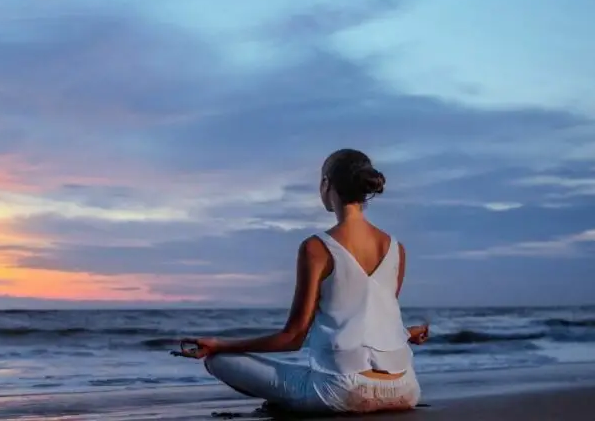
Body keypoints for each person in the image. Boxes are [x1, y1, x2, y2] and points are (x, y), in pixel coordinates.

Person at [173, 149, 430, 414]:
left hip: (344, 392)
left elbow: (293, 338)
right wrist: (405, 334)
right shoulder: (396, 249)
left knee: (219, 361)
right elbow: (372, 319)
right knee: (312, 372)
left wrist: (220, 344)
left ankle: (292, 402)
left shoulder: (317, 248)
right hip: (405, 388)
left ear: (326, 184)